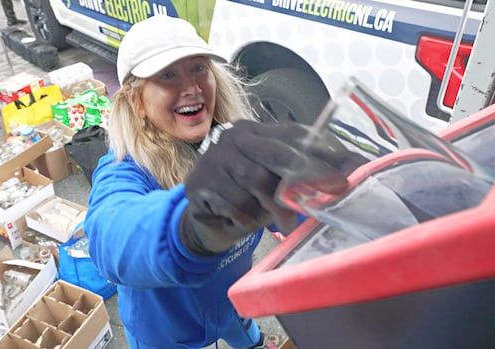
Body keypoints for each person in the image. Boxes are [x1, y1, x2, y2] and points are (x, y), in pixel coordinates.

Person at [85, 15, 362, 349]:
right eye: (167, 75)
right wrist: (193, 222)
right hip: (167, 334)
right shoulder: (122, 168)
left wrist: (343, 207)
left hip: (231, 308)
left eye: (199, 68)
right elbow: (111, 238)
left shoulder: (234, 147)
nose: (191, 87)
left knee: (248, 337)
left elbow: (300, 218)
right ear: (136, 102)